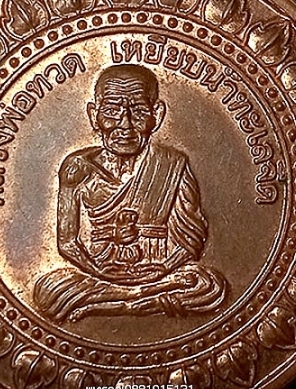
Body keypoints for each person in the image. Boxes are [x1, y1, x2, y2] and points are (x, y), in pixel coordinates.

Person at [34, 64, 228, 321]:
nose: (125, 124)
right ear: (94, 115)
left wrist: (162, 269)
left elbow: (190, 239)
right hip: (97, 272)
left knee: (208, 285)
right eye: (111, 111)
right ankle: (140, 300)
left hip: (159, 273)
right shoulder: (77, 167)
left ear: (156, 115)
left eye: (138, 111)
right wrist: (99, 270)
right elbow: (68, 242)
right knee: (49, 292)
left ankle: (118, 304)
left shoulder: (171, 164)